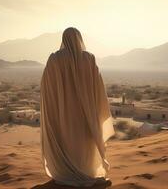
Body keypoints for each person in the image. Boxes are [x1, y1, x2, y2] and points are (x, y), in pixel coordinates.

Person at [40, 27, 114, 187]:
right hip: (85, 116)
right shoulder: (89, 59)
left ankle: (66, 173)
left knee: (66, 142)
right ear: (80, 39)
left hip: (62, 116)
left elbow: (47, 89)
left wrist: (55, 110)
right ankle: (86, 172)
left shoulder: (54, 59)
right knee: (84, 145)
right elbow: (99, 89)